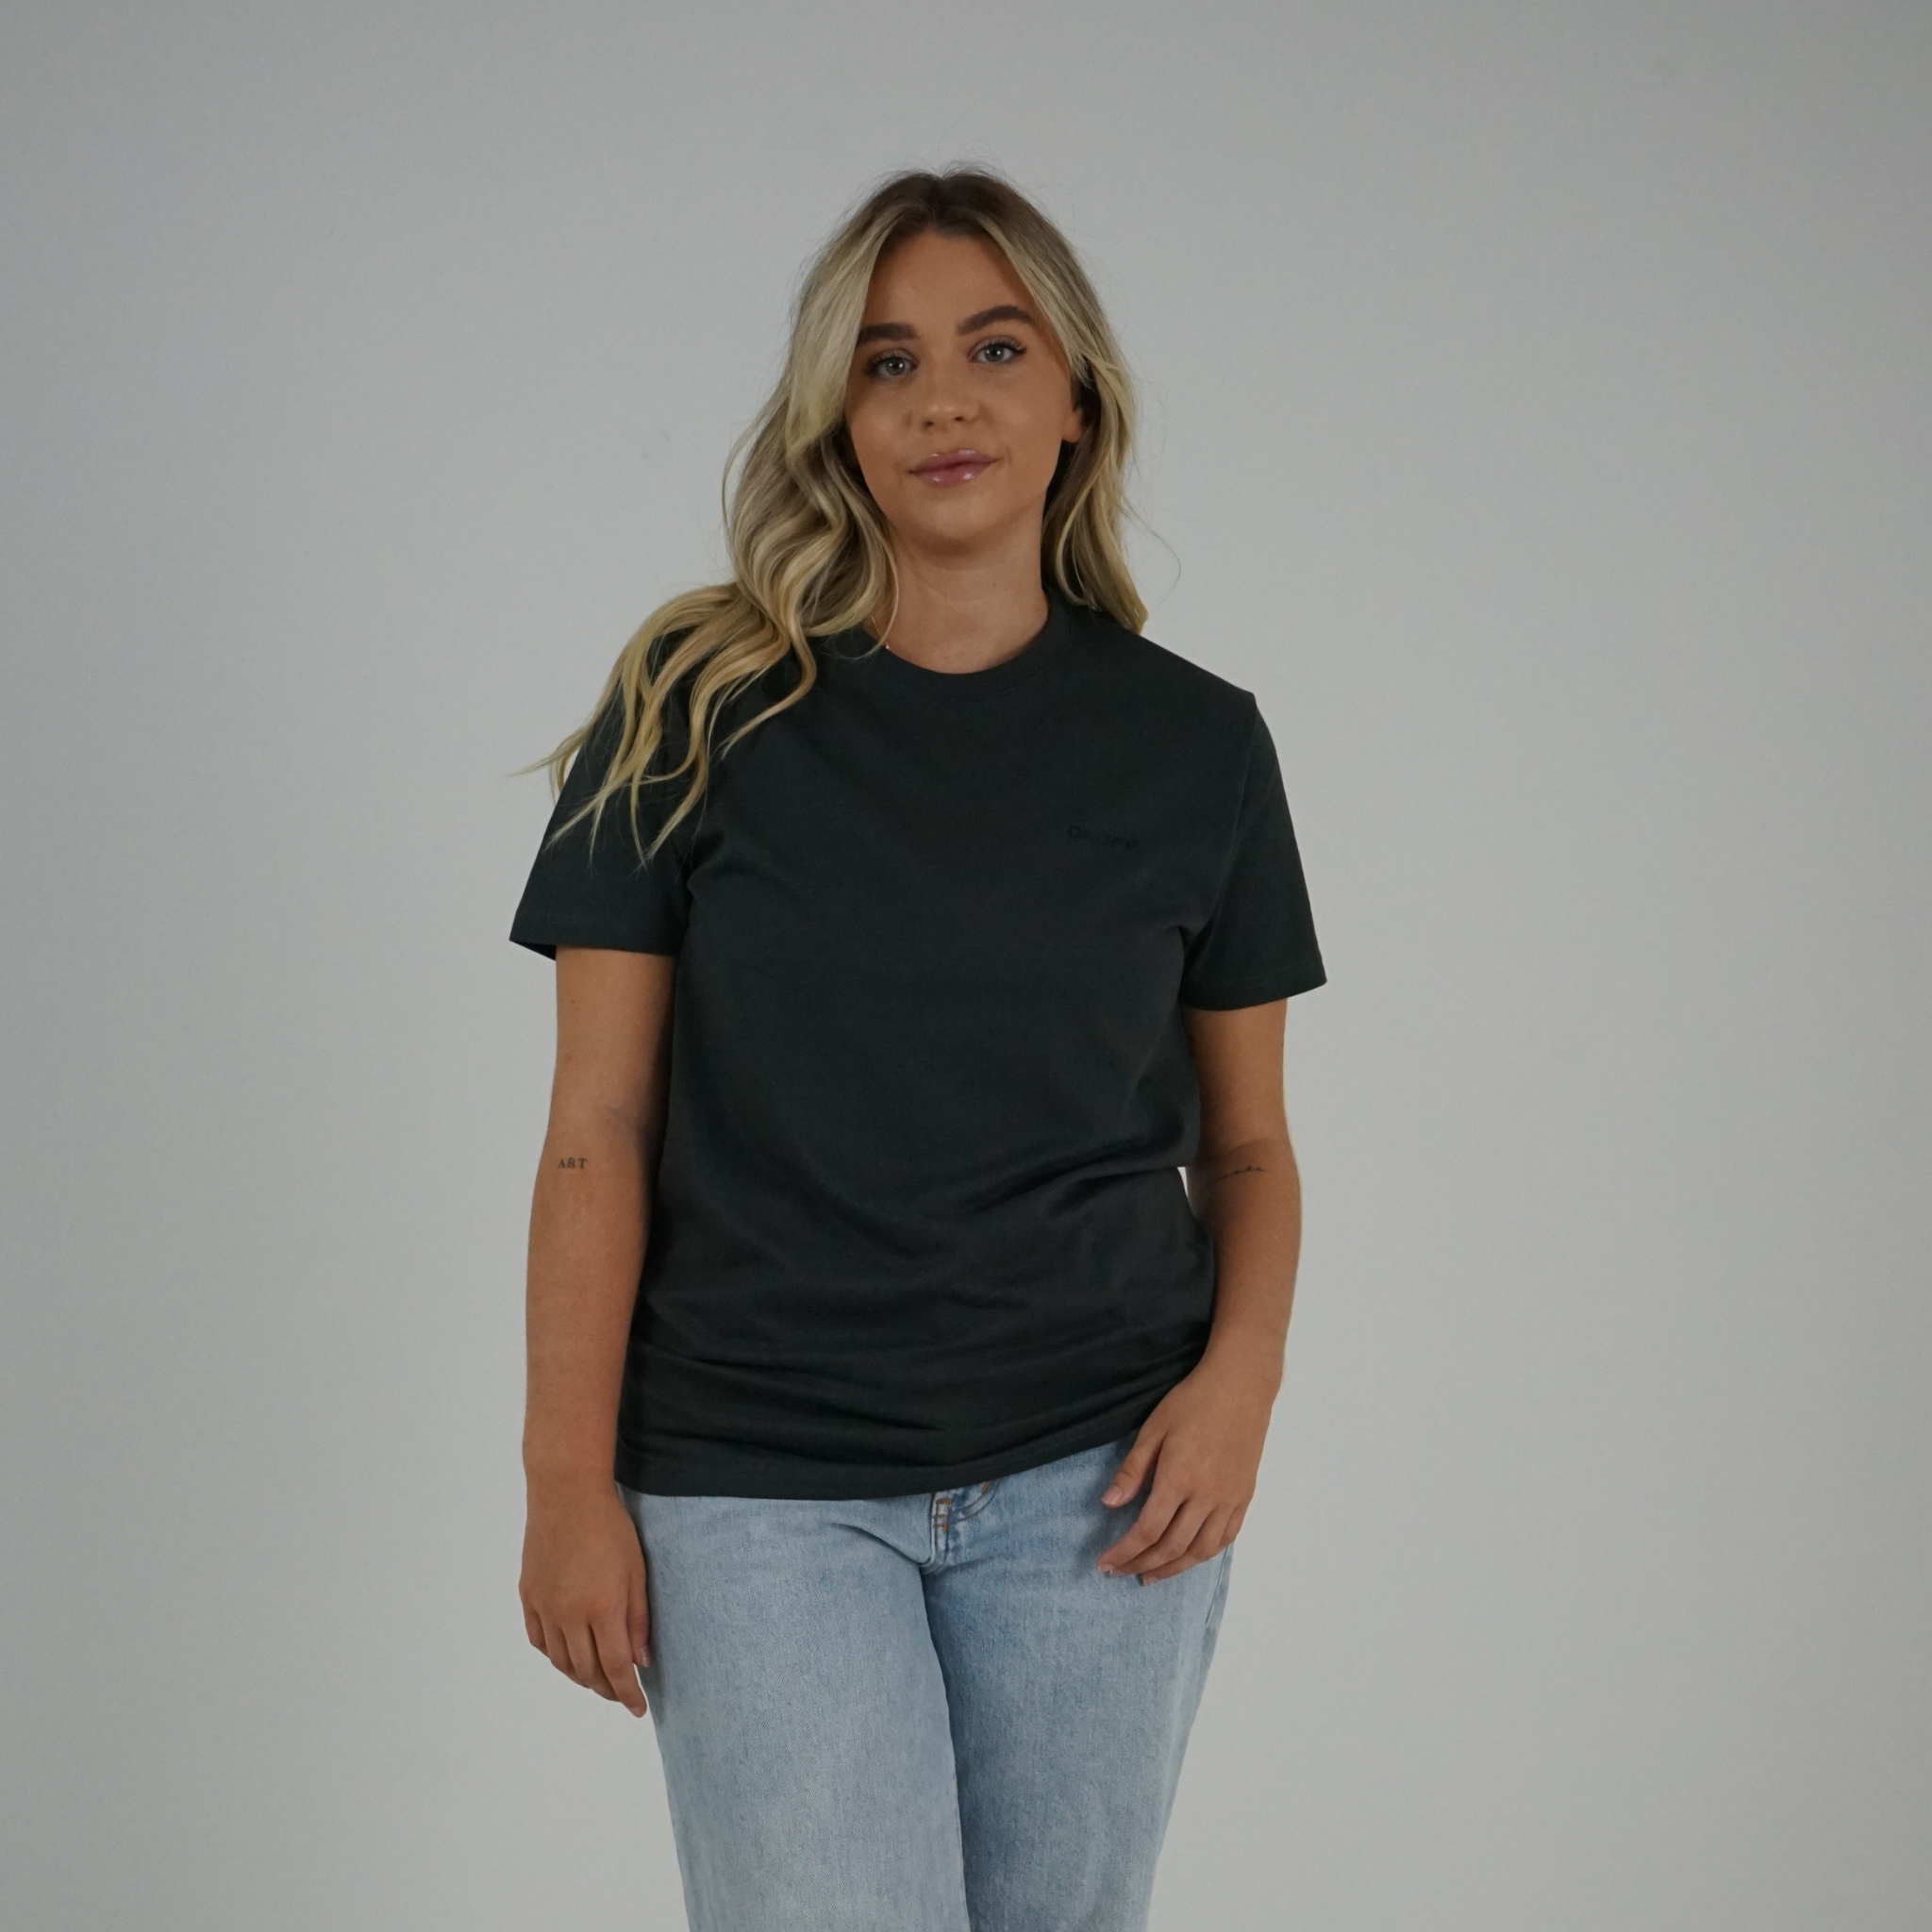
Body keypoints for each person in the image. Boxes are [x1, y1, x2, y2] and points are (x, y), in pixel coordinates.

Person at [508, 165, 1325, 1932]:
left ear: (1076, 397)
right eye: (889, 362)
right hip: (754, 1485)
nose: (943, 400)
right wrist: (566, 1480)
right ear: (838, 416)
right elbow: (598, 1125)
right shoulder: (689, 713)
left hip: (1104, 1479)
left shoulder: (1199, 749)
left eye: (994, 348)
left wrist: (1239, 1388)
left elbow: (1250, 1146)